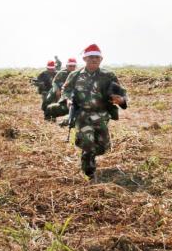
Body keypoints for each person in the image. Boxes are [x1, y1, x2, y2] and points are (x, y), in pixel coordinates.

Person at [62, 44, 127, 182]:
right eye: (91, 57)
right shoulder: (75, 75)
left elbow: (121, 93)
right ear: (85, 58)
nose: (94, 60)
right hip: (83, 115)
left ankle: (90, 155)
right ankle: (89, 172)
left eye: (97, 57)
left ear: (101, 59)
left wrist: (121, 100)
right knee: (88, 143)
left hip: (102, 115)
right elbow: (66, 90)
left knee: (102, 147)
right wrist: (68, 100)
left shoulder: (108, 75)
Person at [44, 58, 77, 123]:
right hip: (65, 97)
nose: (72, 67)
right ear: (66, 66)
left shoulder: (79, 74)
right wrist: (57, 90)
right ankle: (50, 121)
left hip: (76, 101)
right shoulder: (61, 73)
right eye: (70, 66)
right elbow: (54, 82)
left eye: (74, 66)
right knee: (50, 106)